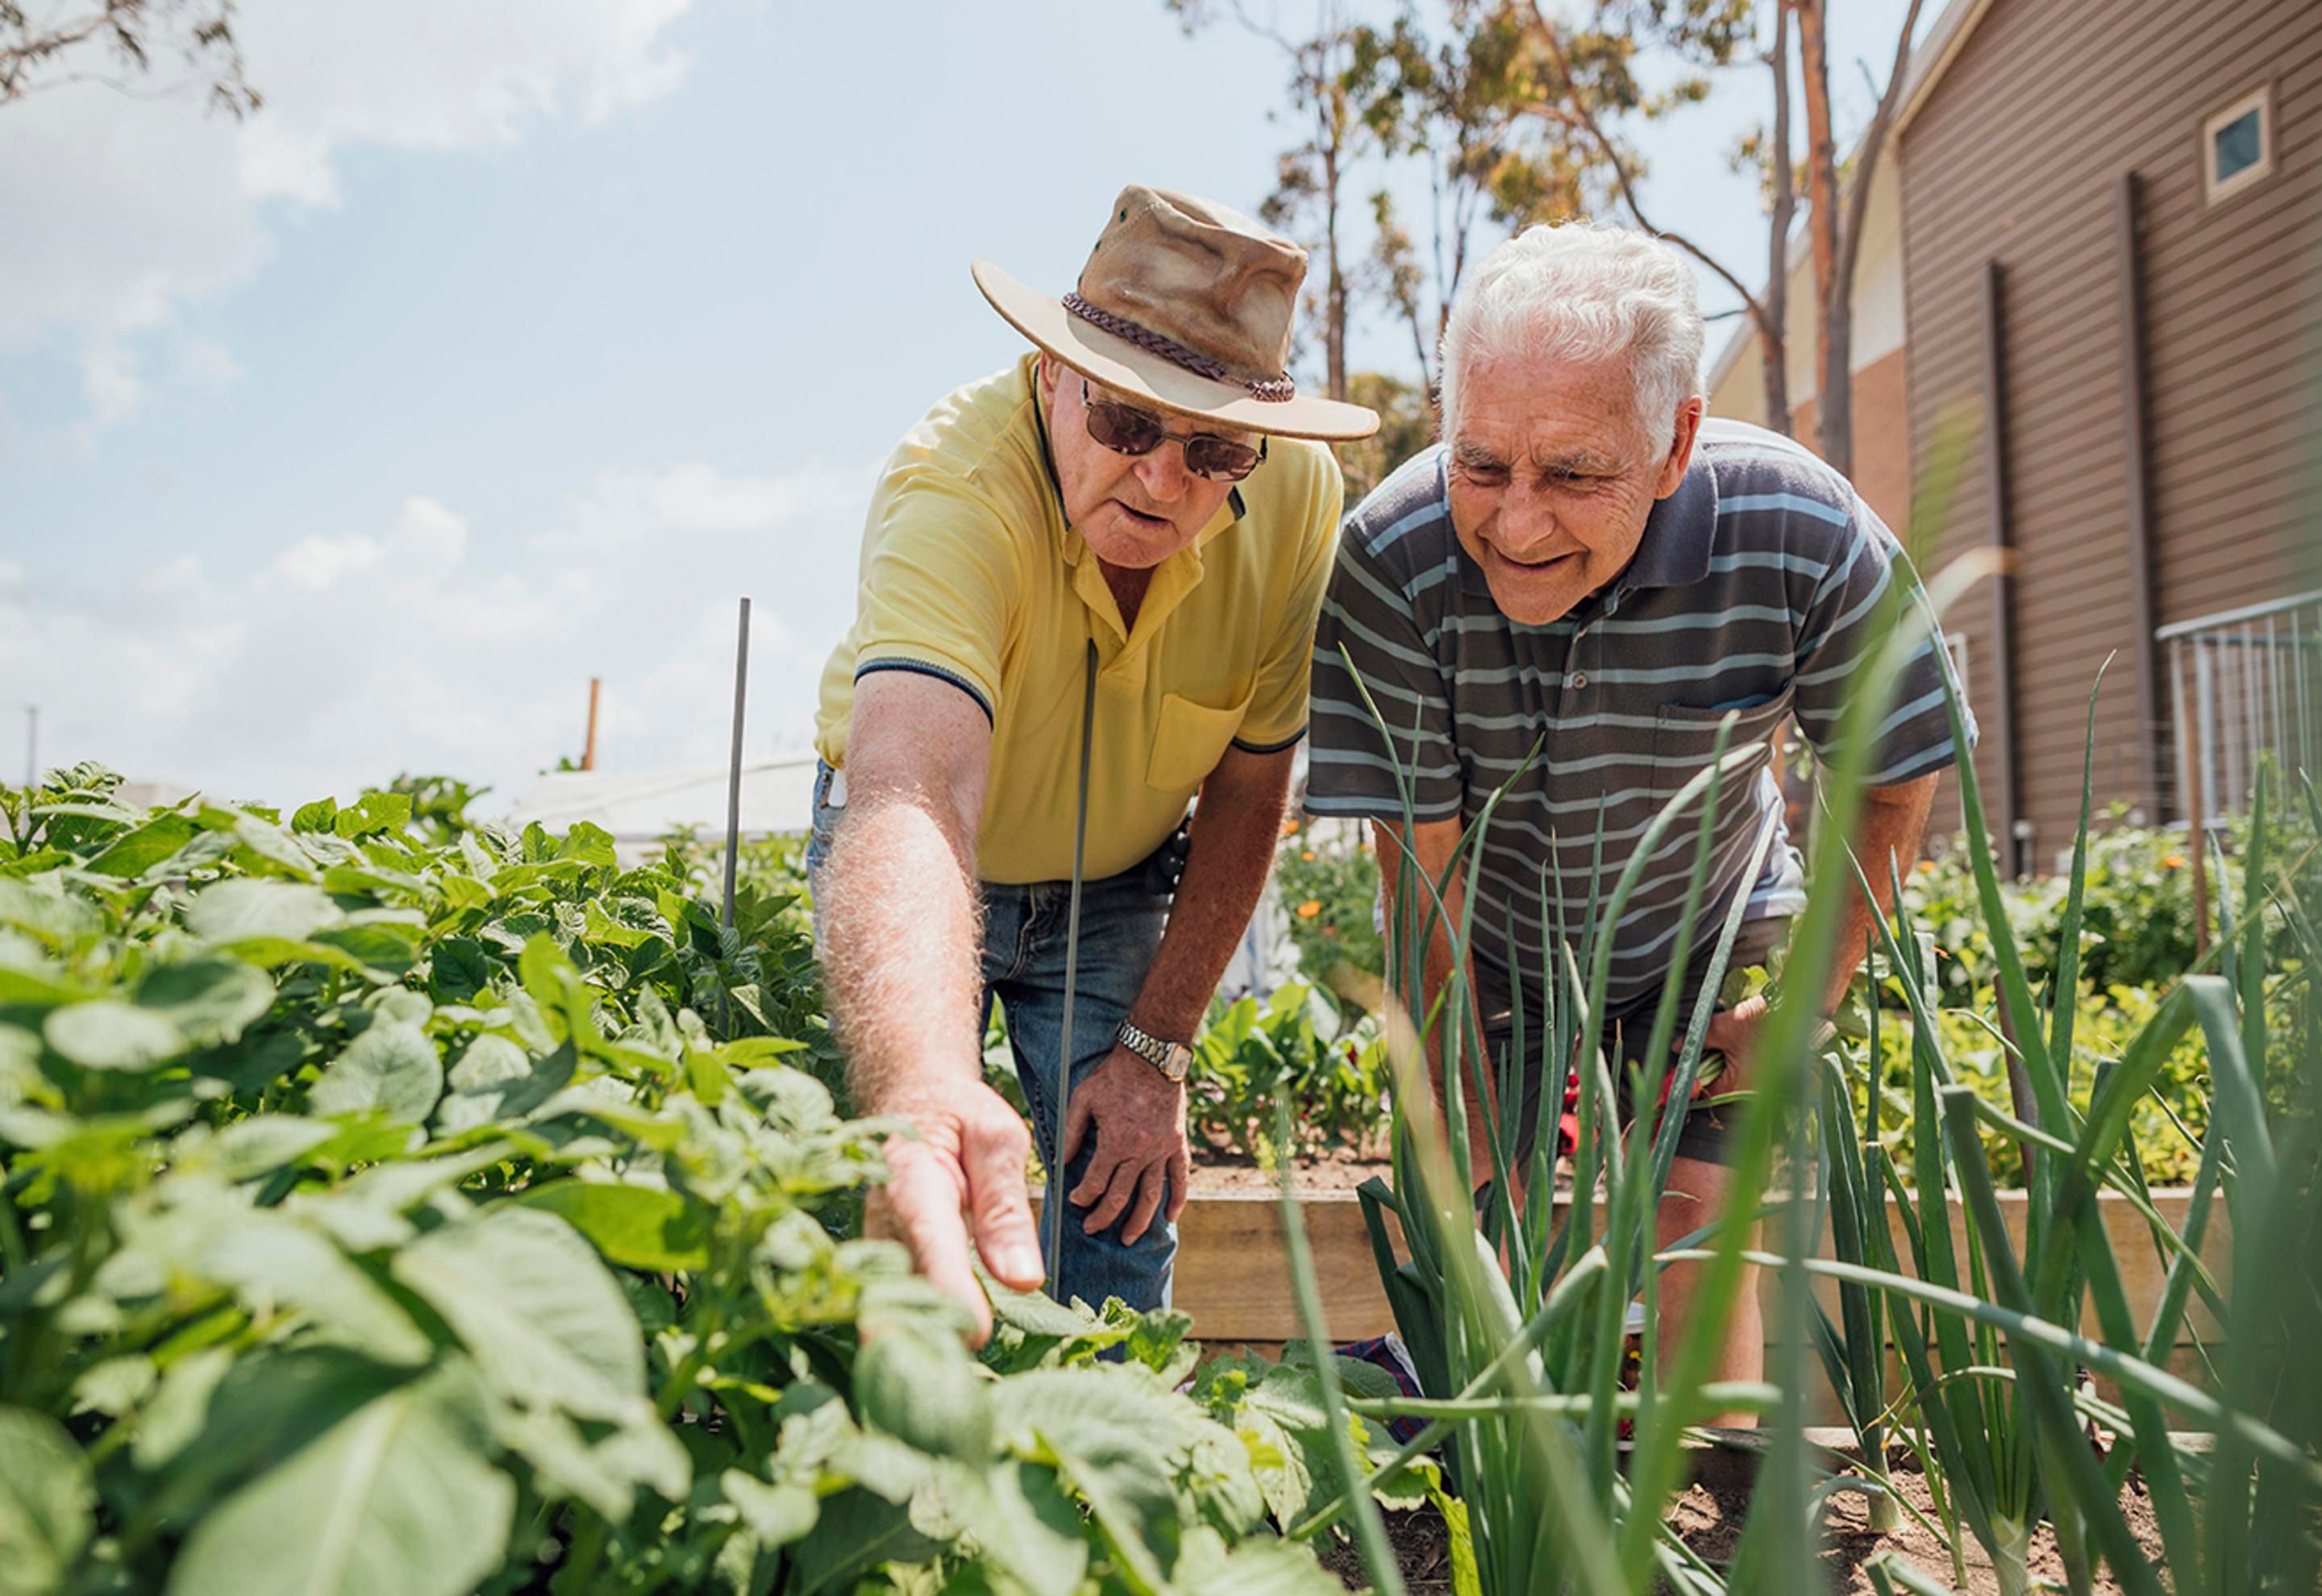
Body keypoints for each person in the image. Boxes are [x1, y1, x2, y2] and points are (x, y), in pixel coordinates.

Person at [1305, 221, 1970, 1413]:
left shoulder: (1801, 534)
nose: (1515, 524)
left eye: (1574, 474)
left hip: (1712, 925)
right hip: (1495, 939)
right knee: (1478, 1256)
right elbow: (1425, 879)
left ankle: (1697, 1483)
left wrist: (1807, 998)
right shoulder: (1396, 560)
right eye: (1483, 462)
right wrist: (1461, 1097)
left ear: (1676, 445)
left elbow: (1894, 766)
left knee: (1691, 1239)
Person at [806, 185, 1378, 1340]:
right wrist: (925, 1078)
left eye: (1212, 448)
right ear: (1052, 374)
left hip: (1115, 880)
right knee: (894, 1185)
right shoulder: (956, 491)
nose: (1163, 481)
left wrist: (1156, 1051)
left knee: (1121, 1195)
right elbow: (915, 789)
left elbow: (1253, 783)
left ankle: (1104, 1466)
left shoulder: (1299, 501)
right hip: (927, 863)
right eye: (1126, 425)